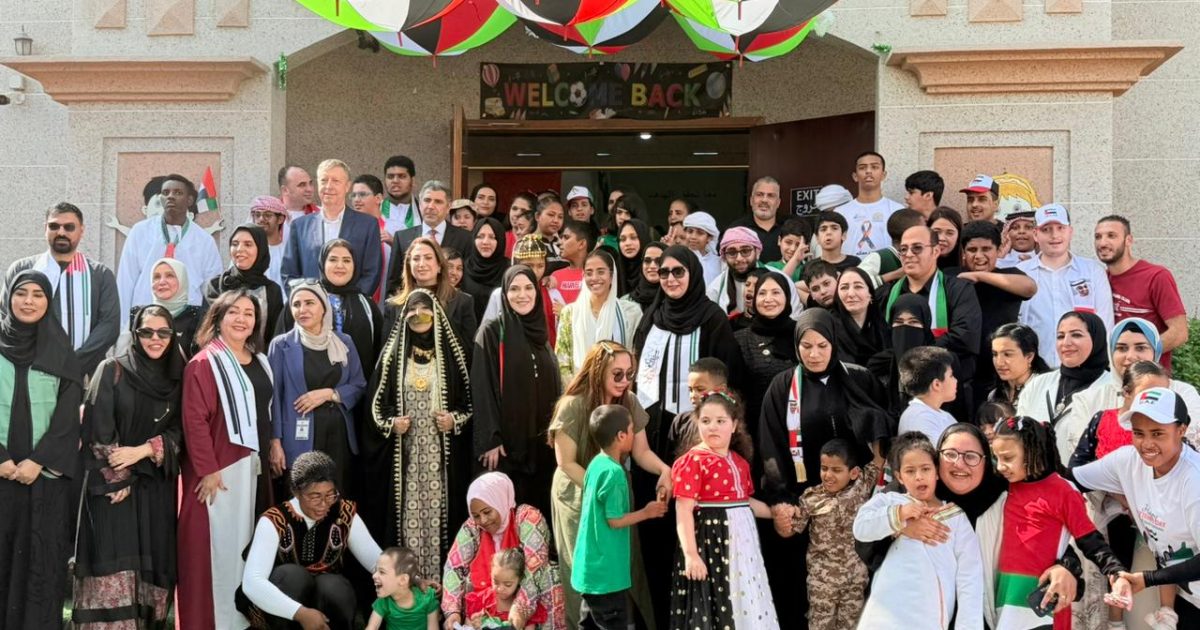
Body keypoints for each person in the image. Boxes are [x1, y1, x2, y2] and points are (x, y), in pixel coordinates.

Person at [758, 308, 890, 626]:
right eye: (806, 346)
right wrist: (780, 500)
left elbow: (882, 427)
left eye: (822, 346)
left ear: (834, 343)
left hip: (858, 504)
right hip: (807, 504)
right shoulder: (783, 386)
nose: (814, 354)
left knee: (857, 598)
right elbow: (770, 446)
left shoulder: (859, 378)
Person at [73, 304, 184, 629]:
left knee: (152, 564)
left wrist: (143, 451)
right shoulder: (112, 369)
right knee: (112, 560)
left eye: (163, 332)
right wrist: (118, 478)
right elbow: (97, 427)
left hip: (154, 488)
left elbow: (182, 431)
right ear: (135, 334)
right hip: (112, 489)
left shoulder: (178, 378)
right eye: (146, 331)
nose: (155, 338)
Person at [548, 341, 671, 629]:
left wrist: (665, 470)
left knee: (622, 566)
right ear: (598, 370)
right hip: (577, 496)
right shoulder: (572, 405)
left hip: (613, 491)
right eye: (617, 374)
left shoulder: (629, 402)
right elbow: (566, 463)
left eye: (630, 374)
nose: (624, 380)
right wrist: (599, 492)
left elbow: (641, 452)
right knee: (584, 574)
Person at [177, 290, 275, 629]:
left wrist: (274, 443)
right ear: (218, 317)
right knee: (217, 549)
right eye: (234, 312)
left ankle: (244, 620)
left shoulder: (260, 360)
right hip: (219, 469)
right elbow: (194, 420)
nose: (242, 319)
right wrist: (207, 469)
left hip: (254, 466)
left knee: (247, 545)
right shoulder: (204, 363)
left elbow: (266, 409)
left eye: (249, 313)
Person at [1069, 387, 1200, 627]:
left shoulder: (1194, 481)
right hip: (1189, 596)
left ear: (1181, 430)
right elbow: (1070, 480)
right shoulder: (1128, 461)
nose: (1146, 444)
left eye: (1158, 433)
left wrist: (1148, 579)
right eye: (1138, 433)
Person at [364, 289, 472, 572]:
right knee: (408, 517)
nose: (419, 317)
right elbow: (375, 407)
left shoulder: (452, 356)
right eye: (413, 313)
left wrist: (454, 420)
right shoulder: (393, 356)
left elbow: (470, 404)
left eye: (425, 311)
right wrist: (392, 424)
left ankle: (440, 584)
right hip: (406, 457)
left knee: (440, 515)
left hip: (441, 460)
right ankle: (409, 583)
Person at [0, 270, 85, 628]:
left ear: (49, 303)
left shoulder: (61, 352)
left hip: (44, 480)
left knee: (39, 564)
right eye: (22, 293)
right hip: (1, 475)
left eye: (38, 294)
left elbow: (68, 417)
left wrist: (38, 460)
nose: (29, 301)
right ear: (8, 298)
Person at [990, 417, 1132, 628]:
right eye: (997, 458)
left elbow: (1090, 541)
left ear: (1032, 451)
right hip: (1005, 590)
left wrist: (1116, 572)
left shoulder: (1063, 490)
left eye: (1008, 458)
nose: (1001, 466)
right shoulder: (1004, 487)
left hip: (1044, 596)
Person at [239, 451, 384, 630]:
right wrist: (301, 613)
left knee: (334, 586)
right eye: (315, 496)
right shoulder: (274, 520)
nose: (323, 504)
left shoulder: (343, 512)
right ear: (296, 492)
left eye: (330, 495)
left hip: (324, 600)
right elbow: (252, 582)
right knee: (293, 576)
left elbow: (376, 561)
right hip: (281, 602)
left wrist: (408, 577)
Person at [853, 432, 983, 629]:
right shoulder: (890, 502)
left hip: (928, 619)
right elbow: (861, 528)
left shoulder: (955, 518)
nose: (919, 476)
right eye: (910, 471)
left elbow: (970, 579)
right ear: (899, 477)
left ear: (937, 472)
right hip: (883, 617)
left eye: (925, 469)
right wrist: (900, 515)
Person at [670, 392, 778, 629]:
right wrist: (691, 555)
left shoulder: (739, 462)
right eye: (706, 421)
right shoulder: (693, 461)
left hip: (743, 549)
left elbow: (745, 503)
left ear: (734, 425)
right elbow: (683, 509)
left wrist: (777, 513)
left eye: (720, 421)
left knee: (744, 597)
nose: (713, 427)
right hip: (712, 545)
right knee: (717, 603)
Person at [473, 266, 561, 520]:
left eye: (528, 288)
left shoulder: (540, 333)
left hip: (541, 446)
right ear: (504, 294)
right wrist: (490, 439)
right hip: (507, 448)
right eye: (514, 289)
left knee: (537, 516)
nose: (522, 295)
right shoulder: (492, 332)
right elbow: (482, 386)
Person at [574, 405, 669, 630]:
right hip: (607, 574)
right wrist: (647, 512)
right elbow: (614, 520)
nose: (634, 434)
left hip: (589, 570)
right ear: (621, 436)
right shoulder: (614, 473)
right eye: (632, 429)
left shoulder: (596, 464)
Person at [1060, 317, 1200, 466]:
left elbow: (1191, 446)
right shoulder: (1088, 399)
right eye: (1121, 348)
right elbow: (1081, 457)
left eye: (1141, 348)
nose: (1131, 356)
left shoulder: (1183, 393)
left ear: (1155, 351)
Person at [5, 202, 120, 379]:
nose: (61, 232)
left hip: (82, 375)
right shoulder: (22, 269)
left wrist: (72, 365)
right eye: (54, 226)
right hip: (29, 372)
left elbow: (109, 327)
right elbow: (6, 316)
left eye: (69, 227)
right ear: (45, 228)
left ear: (81, 230)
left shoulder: (100, 275)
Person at [267, 282, 365, 490]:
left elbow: (359, 385)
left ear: (324, 308)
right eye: (296, 304)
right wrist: (275, 442)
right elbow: (274, 398)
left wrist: (330, 394)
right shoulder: (281, 345)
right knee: (303, 495)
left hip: (338, 434)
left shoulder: (344, 342)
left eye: (309, 303)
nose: (302, 309)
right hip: (298, 436)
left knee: (337, 494)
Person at [878, 224, 982, 416]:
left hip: (948, 394)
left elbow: (965, 336)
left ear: (936, 251)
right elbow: (881, 341)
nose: (908, 254)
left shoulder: (958, 289)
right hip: (897, 393)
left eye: (917, 248)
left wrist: (913, 352)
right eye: (903, 249)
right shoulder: (888, 294)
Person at [441, 472, 564, 630]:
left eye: (487, 512)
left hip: (524, 592)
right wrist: (453, 611)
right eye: (476, 515)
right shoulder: (472, 526)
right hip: (488, 594)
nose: (483, 520)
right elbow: (454, 566)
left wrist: (520, 608)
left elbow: (535, 565)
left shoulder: (526, 517)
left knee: (550, 574)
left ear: (499, 500)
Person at [784, 439, 879, 630]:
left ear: (853, 473)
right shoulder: (811, 498)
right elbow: (790, 530)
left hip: (855, 580)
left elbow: (878, 460)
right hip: (822, 584)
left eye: (836, 470)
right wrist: (782, 513)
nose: (828, 475)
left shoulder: (861, 485)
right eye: (824, 468)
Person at [1017, 203, 1114, 367]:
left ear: (1070, 231)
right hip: (1034, 370)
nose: (1054, 235)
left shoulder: (1093, 271)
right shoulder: (1020, 273)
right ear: (1035, 234)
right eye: (1046, 229)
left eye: (1060, 228)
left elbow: (1105, 324)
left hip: (1083, 370)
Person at [117, 174, 223, 316]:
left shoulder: (204, 240)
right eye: (165, 193)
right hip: (145, 315)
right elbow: (126, 280)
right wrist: (124, 324)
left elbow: (213, 289)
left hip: (187, 317)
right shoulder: (140, 231)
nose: (170, 197)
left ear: (190, 200)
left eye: (178, 193)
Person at [958, 220, 1036, 408]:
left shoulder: (1009, 275)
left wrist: (980, 276)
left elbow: (1030, 288)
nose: (979, 256)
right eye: (972, 250)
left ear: (998, 250)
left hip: (999, 373)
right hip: (961, 372)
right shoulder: (954, 276)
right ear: (963, 252)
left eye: (986, 249)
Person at [1094, 215, 1188, 370]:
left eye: (1111, 236)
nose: (1103, 243)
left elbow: (1179, 333)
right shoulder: (1100, 279)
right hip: (1112, 375)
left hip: (1150, 376)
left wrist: (1141, 355)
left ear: (1128, 240)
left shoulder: (1156, 277)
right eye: (1098, 237)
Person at [282, 159, 383, 297]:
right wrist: (305, 301)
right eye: (324, 180)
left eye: (336, 181)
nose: (328, 186)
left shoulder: (367, 225)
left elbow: (372, 272)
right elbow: (289, 273)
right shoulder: (300, 226)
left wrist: (350, 303)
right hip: (311, 305)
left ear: (347, 186)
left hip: (351, 305)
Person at [732, 269, 799, 444]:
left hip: (797, 426)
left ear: (787, 297)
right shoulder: (740, 339)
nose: (768, 299)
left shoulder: (801, 334)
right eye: (762, 293)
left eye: (776, 292)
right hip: (755, 430)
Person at [555, 250, 642, 380]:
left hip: (619, 387)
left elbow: (634, 358)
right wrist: (577, 390)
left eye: (601, 272)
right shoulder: (570, 313)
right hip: (579, 388)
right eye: (589, 273)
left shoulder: (630, 312)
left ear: (612, 276)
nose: (594, 278)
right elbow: (562, 361)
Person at [1016, 311, 1109, 426]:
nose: (1066, 343)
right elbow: (1019, 432)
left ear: (1097, 339)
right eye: (1060, 336)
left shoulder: (1113, 389)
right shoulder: (1037, 384)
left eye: (1076, 335)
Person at [206, 224, 286, 339]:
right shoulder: (216, 285)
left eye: (248, 244)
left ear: (260, 249)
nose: (239, 249)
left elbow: (275, 336)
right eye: (235, 244)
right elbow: (207, 329)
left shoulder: (272, 290)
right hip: (220, 349)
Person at [392, 236, 477, 343]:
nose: (421, 264)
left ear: (439, 265)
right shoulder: (394, 305)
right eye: (416, 259)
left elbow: (469, 348)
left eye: (428, 258)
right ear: (409, 265)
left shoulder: (463, 302)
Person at [838, 151, 905, 257]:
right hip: (851, 267)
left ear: (883, 175)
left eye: (874, 167)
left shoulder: (897, 210)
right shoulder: (840, 212)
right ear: (855, 176)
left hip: (886, 267)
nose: (868, 171)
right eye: (862, 168)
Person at [463, 548, 549, 628]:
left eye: (508, 585)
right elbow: (467, 626)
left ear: (519, 580)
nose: (500, 589)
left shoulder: (524, 608)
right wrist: (475, 625)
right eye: (496, 582)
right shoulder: (480, 601)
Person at [665, 358, 729, 461]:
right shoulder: (681, 421)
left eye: (700, 389)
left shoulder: (731, 423)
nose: (693, 395)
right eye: (690, 390)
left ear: (721, 390)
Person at [144, 257, 207, 358]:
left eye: (170, 275)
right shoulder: (142, 317)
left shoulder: (200, 318)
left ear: (182, 280)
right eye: (156, 277)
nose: (162, 282)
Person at [367, 546, 439, 630]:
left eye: (382, 572)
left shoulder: (427, 597)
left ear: (403, 580)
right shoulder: (383, 602)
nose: (374, 575)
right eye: (375, 570)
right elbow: (372, 627)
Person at [897, 346, 959, 443]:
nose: (956, 380)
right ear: (936, 384)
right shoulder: (919, 418)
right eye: (951, 376)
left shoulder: (942, 415)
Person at [830, 266, 885, 366]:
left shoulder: (882, 327)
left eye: (858, 287)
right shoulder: (830, 328)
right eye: (844, 288)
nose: (851, 294)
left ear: (870, 294)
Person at [987, 323, 1051, 407]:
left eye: (1007, 354)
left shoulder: (1047, 391)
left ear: (1029, 357)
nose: (999, 362)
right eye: (995, 354)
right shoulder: (995, 395)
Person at [350, 174, 393, 301]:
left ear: (378, 198)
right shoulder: (348, 228)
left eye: (362, 194)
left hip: (390, 297)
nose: (356, 200)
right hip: (356, 297)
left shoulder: (396, 227)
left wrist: (394, 243)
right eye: (353, 195)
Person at [858, 208, 924, 287]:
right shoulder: (880, 257)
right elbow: (856, 283)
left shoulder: (924, 255)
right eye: (923, 229)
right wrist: (894, 275)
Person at [707, 226, 763, 316]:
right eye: (732, 253)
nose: (739, 258)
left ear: (757, 252)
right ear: (724, 257)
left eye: (745, 251)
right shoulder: (715, 289)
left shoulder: (777, 278)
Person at [461, 217, 508, 323]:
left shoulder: (509, 270)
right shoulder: (463, 268)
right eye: (480, 236)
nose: (485, 242)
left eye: (492, 237)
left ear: (500, 240)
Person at [728, 176, 784, 260]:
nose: (764, 200)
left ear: (778, 203)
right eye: (759, 195)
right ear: (751, 200)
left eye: (770, 196)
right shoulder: (736, 229)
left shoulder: (790, 227)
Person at [549, 219, 595, 307]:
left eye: (566, 237)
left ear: (581, 244)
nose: (559, 242)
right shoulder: (555, 277)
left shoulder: (596, 276)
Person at [250, 195, 290, 288]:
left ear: (280, 219)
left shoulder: (290, 253)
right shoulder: (246, 250)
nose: (261, 219)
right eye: (257, 215)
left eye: (267, 215)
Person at [765, 216, 812, 282]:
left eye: (798, 245)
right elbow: (779, 285)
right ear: (779, 240)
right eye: (788, 242)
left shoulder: (810, 269)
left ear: (807, 246)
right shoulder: (770, 267)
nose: (793, 249)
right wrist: (795, 259)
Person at [382, 155, 420, 234]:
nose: (395, 181)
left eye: (402, 176)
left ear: (413, 181)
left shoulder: (423, 212)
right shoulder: (375, 211)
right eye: (390, 177)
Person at [681, 211, 722, 285]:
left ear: (709, 238)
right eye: (690, 231)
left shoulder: (719, 263)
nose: (693, 237)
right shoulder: (679, 259)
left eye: (700, 233)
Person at [626, 239, 664, 312]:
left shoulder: (675, 300)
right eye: (647, 261)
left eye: (659, 261)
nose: (652, 266)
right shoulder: (626, 301)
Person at [504, 192, 537, 258]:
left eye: (523, 210)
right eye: (514, 209)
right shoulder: (501, 238)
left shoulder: (539, 240)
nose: (517, 214)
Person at [534, 196, 566, 262]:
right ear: (537, 216)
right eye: (551, 215)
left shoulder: (565, 244)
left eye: (560, 217)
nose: (556, 220)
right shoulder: (526, 244)